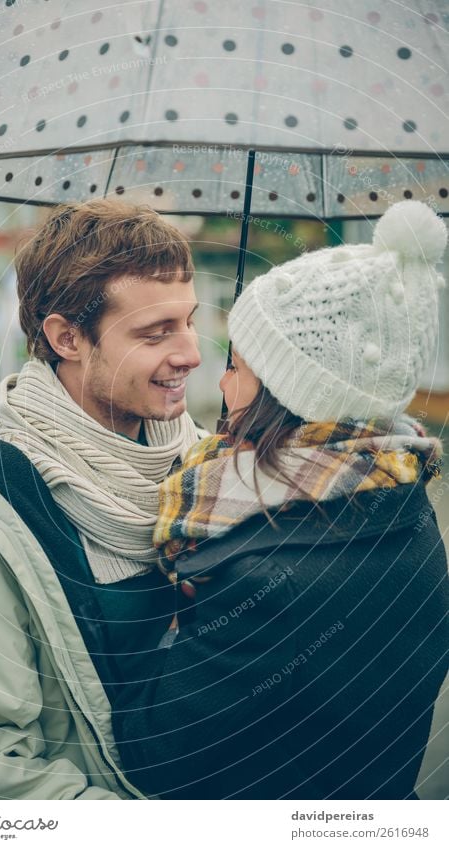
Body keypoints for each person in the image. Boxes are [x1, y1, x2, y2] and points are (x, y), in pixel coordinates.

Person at [112, 201, 449, 800]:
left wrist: (169, 622)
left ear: (286, 395)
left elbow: (152, 753)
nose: (220, 381)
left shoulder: (269, 579)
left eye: (236, 366)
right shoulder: (404, 499)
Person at [0, 199, 203, 800]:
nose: (191, 353)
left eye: (190, 320)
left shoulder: (212, 471)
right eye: (155, 332)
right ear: (67, 337)